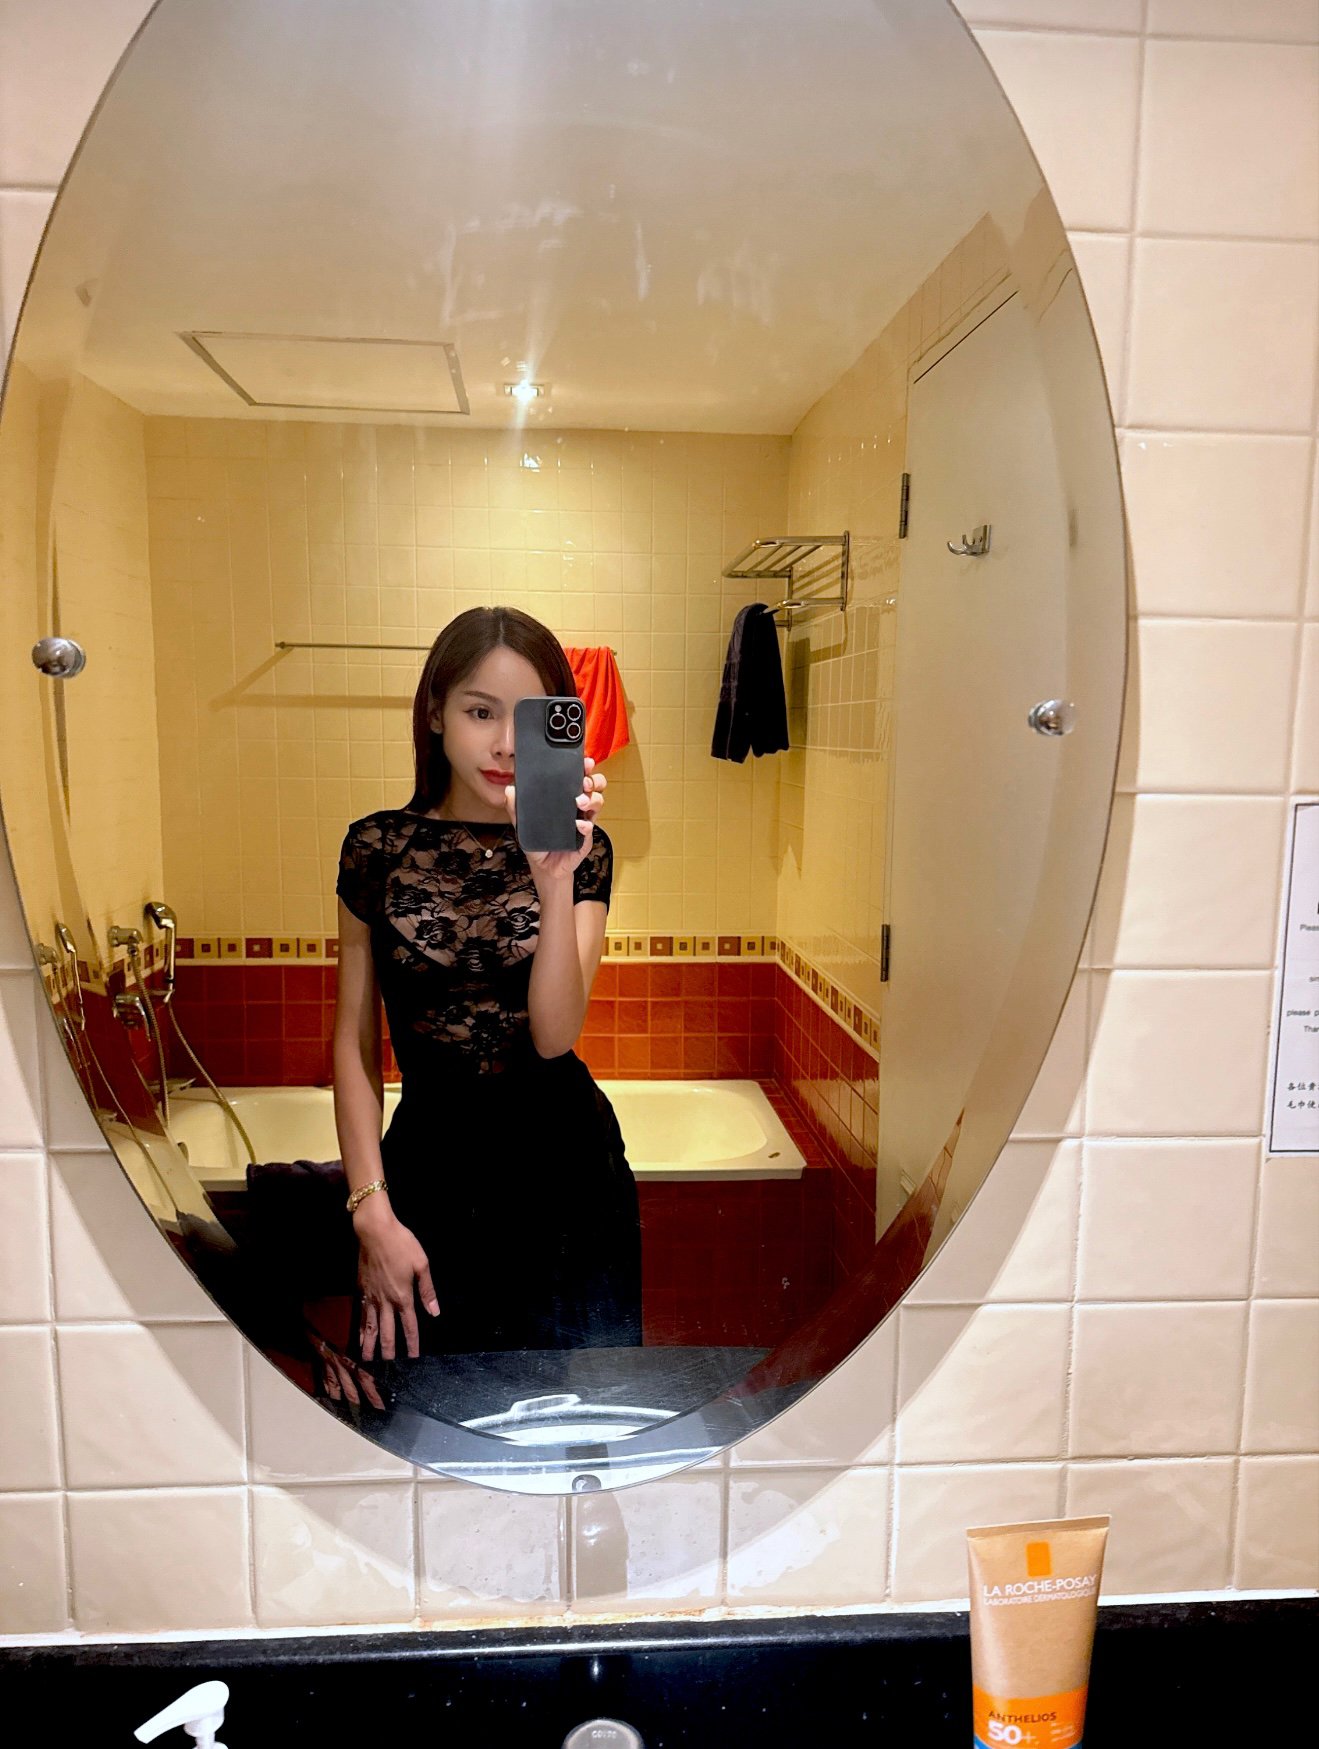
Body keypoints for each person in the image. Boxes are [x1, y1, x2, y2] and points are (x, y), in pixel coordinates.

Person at [331, 605, 642, 1363]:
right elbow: (353, 1040)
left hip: (567, 1180)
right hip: (426, 1179)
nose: (504, 743)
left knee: (577, 1421)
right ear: (435, 712)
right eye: (480, 712)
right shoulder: (375, 847)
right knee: (411, 1407)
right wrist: (370, 1209)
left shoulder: (585, 852)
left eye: (524, 718)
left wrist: (555, 879)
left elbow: (555, 1035)